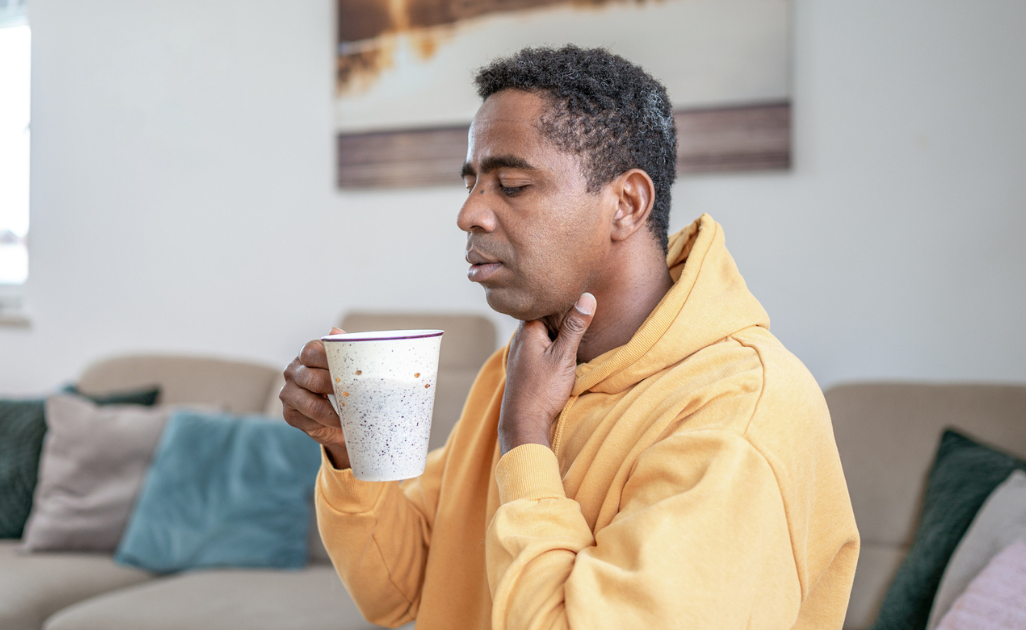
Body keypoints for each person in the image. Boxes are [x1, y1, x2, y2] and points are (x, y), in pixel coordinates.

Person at [281, 45, 859, 630]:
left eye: (510, 184)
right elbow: (396, 593)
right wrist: (352, 453)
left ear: (627, 205)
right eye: (471, 183)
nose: (469, 214)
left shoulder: (740, 414)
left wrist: (526, 439)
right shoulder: (523, 367)